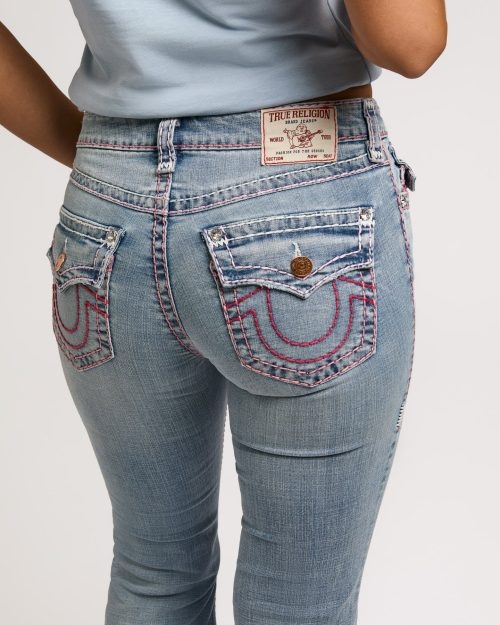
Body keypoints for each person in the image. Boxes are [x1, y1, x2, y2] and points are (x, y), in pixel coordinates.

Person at [0, 2, 447, 624]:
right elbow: (411, 43)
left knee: (154, 574)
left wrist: (110, 167)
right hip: (303, 201)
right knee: (298, 604)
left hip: (106, 210)